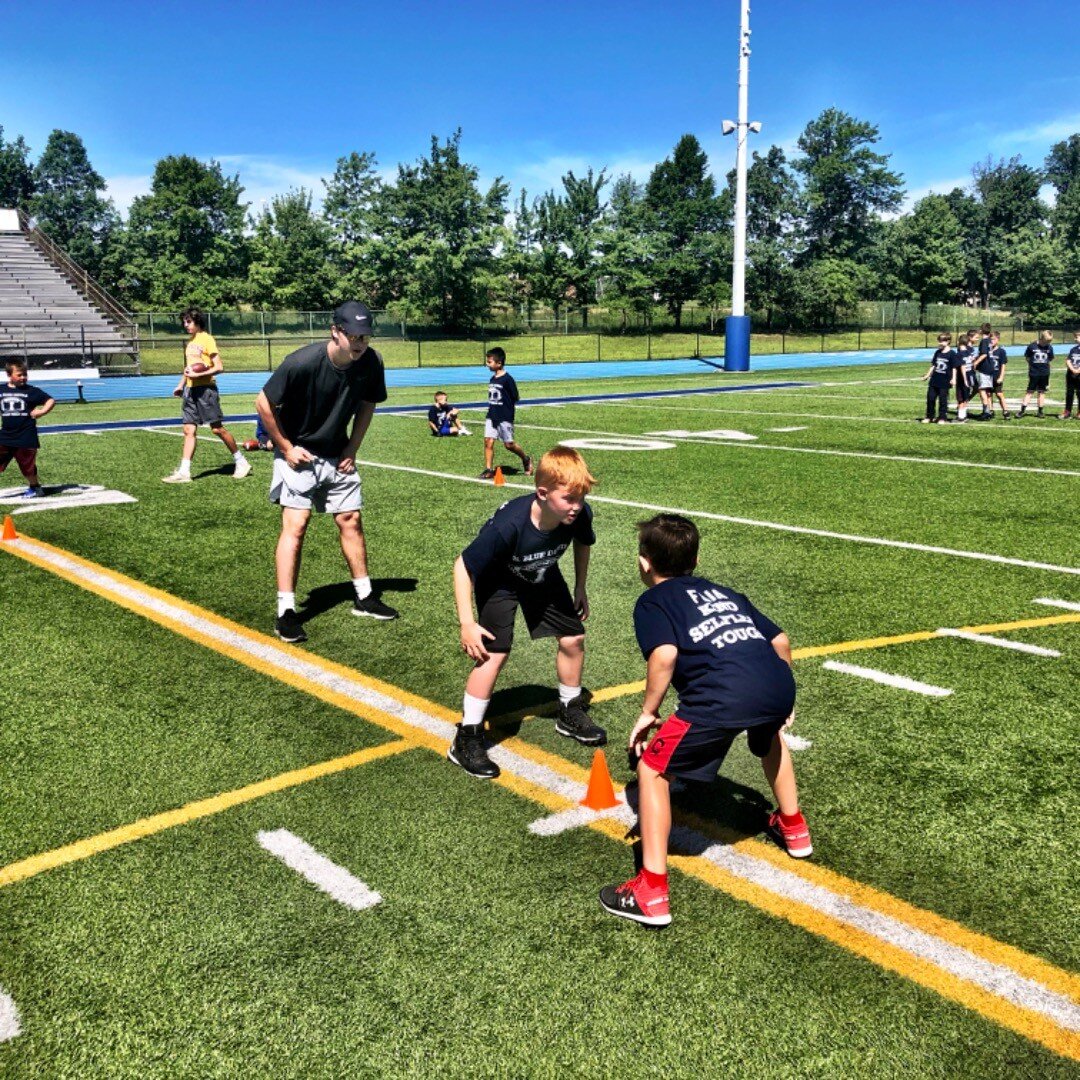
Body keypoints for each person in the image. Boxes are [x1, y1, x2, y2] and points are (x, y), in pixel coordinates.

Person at [599, 514, 810, 928]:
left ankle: (651, 891)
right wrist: (782, 694)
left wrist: (648, 712)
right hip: (775, 682)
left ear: (644, 563)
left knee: (652, 769)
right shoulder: (724, 591)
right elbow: (780, 641)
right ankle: (793, 827)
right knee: (768, 738)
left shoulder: (652, 601)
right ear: (695, 559)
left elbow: (664, 655)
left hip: (721, 697)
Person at [448, 446, 606, 779]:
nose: (577, 507)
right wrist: (467, 623)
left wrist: (580, 587)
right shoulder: (509, 525)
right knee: (494, 654)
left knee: (574, 637)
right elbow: (463, 566)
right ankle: (467, 736)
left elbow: (583, 543)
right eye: (570, 499)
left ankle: (570, 711)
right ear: (543, 493)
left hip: (541, 572)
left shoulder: (578, 515)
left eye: (582, 498)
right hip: (499, 580)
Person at [255, 301, 398, 643]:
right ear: (335, 331)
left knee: (350, 519)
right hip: (299, 453)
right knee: (297, 525)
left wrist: (352, 448)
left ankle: (364, 597)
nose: (360, 343)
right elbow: (263, 403)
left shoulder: (371, 361)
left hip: (338, 453)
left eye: (365, 336)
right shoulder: (302, 362)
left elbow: (367, 405)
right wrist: (286, 447)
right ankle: (286, 611)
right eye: (353, 336)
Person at [162, 309, 251, 483]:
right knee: (188, 429)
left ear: (197, 322)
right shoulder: (190, 342)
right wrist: (181, 385)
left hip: (205, 391)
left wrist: (198, 376)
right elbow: (189, 368)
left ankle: (241, 462)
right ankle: (184, 472)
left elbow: (219, 367)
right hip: (190, 390)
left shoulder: (207, 339)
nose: (185, 325)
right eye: (184, 322)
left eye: (188, 321)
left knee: (217, 428)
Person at [0, 360, 55, 498]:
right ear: (9, 375)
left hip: (26, 436)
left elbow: (50, 400)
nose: (23, 377)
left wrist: (41, 412)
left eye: (25, 374)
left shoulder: (31, 391)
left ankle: (35, 488)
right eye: (19, 375)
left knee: (27, 467)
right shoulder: (1, 390)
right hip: (6, 435)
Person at [481, 347, 531, 480]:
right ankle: (488, 469)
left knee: (509, 445)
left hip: (504, 416)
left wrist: (506, 410)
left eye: (489, 362)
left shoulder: (508, 379)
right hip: (491, 415)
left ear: (499, 363)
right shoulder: (492, 379)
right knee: (488, 441)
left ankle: (526, 459)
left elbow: (515, 397)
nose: (487, 364)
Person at [974, 332, 1012, 419]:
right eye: (990, 340)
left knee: (999, 394)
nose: (992, 341)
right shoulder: (986, 350)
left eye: (994, 339)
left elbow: (1003, 365)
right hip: (987, 375)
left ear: (998, 340)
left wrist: (1001, 376)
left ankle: (1005, 411)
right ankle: (990, 411)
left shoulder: (1001, 351)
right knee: (988, 394)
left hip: (996, 376)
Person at [1017, 330, 1054, 418]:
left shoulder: (1049, 347)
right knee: (1030, 391)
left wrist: (1045, 366)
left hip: (1044, 373)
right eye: (1048, 340)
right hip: (1034, 373)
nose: (1049, 342)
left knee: (1041, 392)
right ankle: (1022, 410)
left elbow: (1051, 358)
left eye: (1050, 341)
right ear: (1042, 338)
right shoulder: (1032, 346)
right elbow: (1027, 357)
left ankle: (1040, 411)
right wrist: (1033, 366)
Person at [920, 333, 955, 423]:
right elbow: (934, 365)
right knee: (930, 398)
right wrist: (927, 375)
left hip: (945, 381)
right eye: (939, 341)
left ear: (948, 341)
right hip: (935, 380)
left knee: (943, 400)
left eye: (942, 341)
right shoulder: (938, 352)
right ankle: (929, 416)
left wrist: (953, 378)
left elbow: (954, 367)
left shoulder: (952, 353)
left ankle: (942, 417)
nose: (940, 343)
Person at [953, 330, 976, 422]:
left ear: (959, 342)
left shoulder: (959, 354)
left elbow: (962, 367)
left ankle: (961, 417)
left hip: (962, 379)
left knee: (960, 398)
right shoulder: (968, 352)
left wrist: (964, 379)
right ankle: (964, 415)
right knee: (965, 397)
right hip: (970, 376)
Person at [1060, 330, 1080, 419]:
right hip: (1071, 374)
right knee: (1069, 393)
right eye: (1075, 337)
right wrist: (1072, 369)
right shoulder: (1073, 349)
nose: (1075, 339)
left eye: (1077, 337)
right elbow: (1068, 360)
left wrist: (1078, 370)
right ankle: (1067, 412)